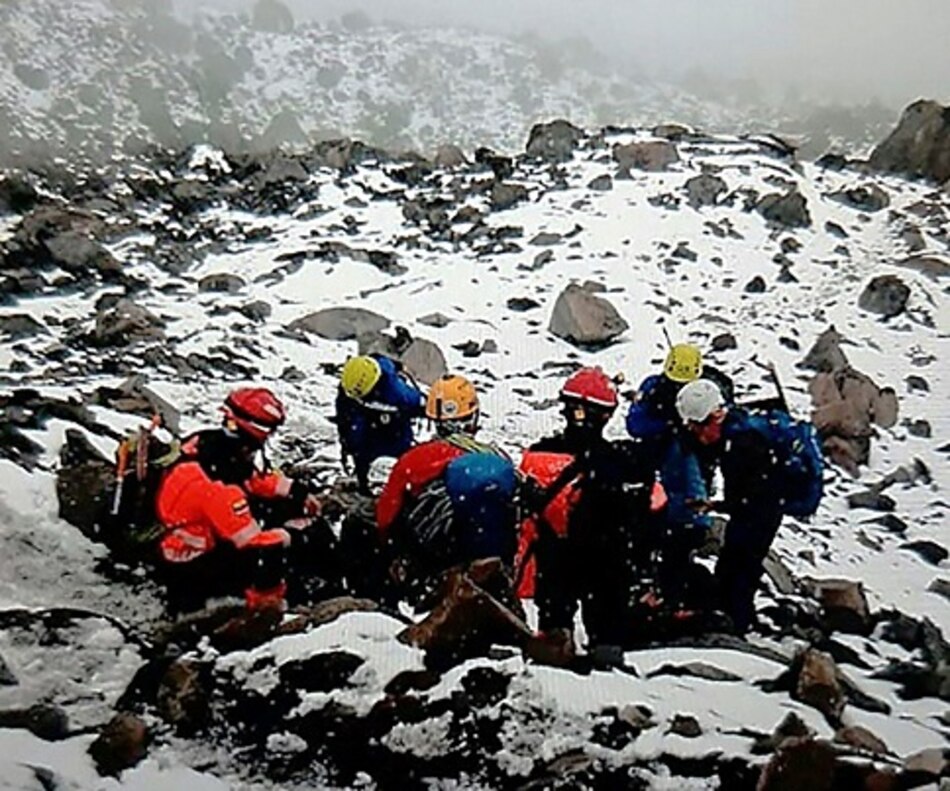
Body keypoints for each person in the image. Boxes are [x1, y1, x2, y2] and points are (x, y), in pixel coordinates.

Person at [521, 367, 659, 665]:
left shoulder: (537, 455)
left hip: (554, 559)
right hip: (607, 564)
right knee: (607, 638)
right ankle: (607, 671)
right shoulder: (623, 462)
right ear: (607, 414)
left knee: (554, 631)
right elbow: (646, 516)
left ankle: (552, 663)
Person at [154, 387, 330, 615]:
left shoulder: (210, 445)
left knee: (283, 512)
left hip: (191, 531)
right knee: (274, 551)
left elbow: (252, 478)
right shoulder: (219, 485)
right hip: (191, 564)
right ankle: (267, 607)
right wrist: (294, 536)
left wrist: (296, 492)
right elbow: (255, 543)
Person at [675, 378, 822, 634]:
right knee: (738, 563)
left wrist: (718, 506)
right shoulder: (737, 430)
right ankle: (734, 616)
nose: (696, 433)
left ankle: (735, 624)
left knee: (740, 566)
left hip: (763, 510)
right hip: (763, 507)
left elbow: (750, 497)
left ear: (715, 418)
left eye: (697, 427)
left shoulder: (743, 446)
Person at [370, 374, 517, 600]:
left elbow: (386, 517)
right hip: (493, 560)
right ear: (473, 416)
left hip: (433, 563)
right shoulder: (496, 458)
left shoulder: (413, 460)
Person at [625, 344, 733, 608]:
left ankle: (669, 589)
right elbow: (635, 424)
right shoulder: (654, 389)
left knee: (680, 531)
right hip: (655, 466)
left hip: (688, 471)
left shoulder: (711, 393)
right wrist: (669, 423)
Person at [335, 354, 426, 494]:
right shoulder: (352, 384)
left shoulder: (396, 393)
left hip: (391, 439)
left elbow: (418, 403)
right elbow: (344, 416)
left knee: (396, 480)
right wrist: (347, 441)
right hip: (365, 442)